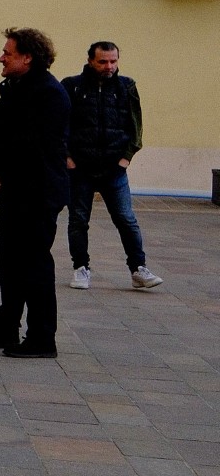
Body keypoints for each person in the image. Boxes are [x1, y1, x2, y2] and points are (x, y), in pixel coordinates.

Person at [0, 27, 69, 358]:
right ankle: (7, 326)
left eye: (8, 53)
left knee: (34, 264)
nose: (1, 57)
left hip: (36, 193)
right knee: (9, 261)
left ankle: (42, 337)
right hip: (17, 192)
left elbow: (29, 145)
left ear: (27, 58)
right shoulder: (19, 88)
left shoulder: (46, 93)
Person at [63, 42, 163, 291]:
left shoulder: (126, 87)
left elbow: (136, 126)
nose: (109, 67)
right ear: (90, 61)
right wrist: (67, 158)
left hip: (114, 169)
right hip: (80, 168)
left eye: (113, 61)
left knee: (126, 219)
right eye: (103, 62)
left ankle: (138, 269)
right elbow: (60, 125)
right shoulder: (72, 86)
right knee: (78, 220)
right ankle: (81, 268)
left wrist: (125, 159)